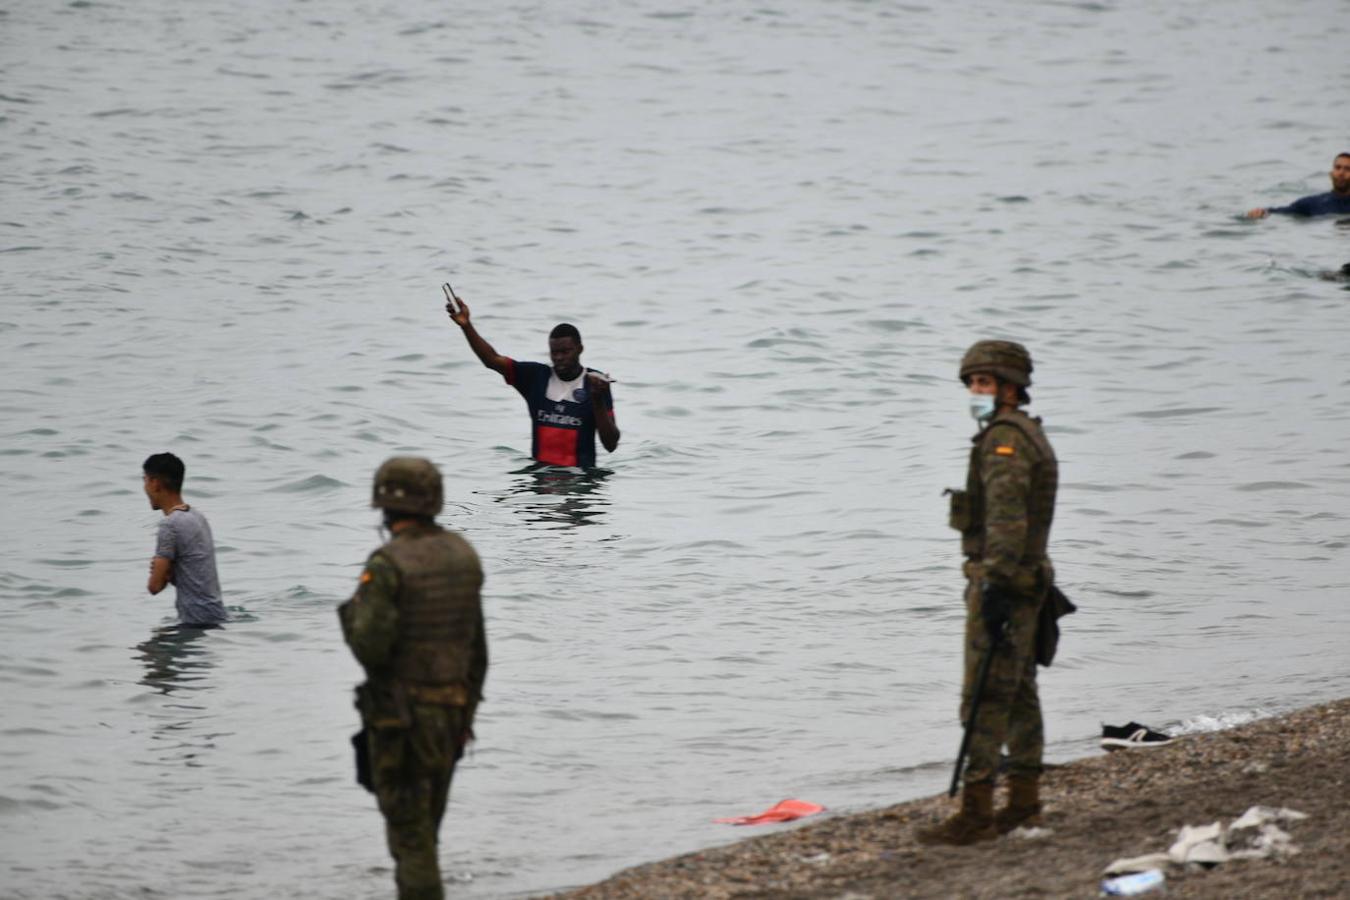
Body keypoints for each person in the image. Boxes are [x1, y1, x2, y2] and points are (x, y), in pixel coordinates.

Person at [917, 341, 1058, 846]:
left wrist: (995, 585)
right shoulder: (1026, 433)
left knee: (982, 697)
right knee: (1018, 692)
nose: (974, 391)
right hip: (1026, 580)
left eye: (983, 383)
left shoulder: (1004, 441)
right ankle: (1024, 804)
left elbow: (1005, 519)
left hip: (1005, 583)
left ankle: (976, 813)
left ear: (1008, 387)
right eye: (971, 383)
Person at [339, 457, 488, 900]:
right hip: (453, 713)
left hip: (401, 722)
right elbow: (478, 653)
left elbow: (370, 648)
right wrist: (466, 716)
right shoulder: (464, 555)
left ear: (385, 506)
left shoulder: (388, 563)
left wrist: (351, 614)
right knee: (428, 829)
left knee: (410, 838)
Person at [445, 288, 619, 468]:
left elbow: (611, 445)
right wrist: (466, 325)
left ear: (580, 349)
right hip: (540, 486)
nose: (559, 357)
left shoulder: (596, 383)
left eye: (565, 352)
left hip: (580, 487)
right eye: (554, 352)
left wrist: (597, 400)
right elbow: (492, 360)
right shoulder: (536, 378)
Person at [142, 452, 227, 627]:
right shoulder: (197, 517)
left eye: (145, 480)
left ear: (155, 483)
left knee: (145, 653)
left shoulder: (169, 525)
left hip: (195, 622)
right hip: (216, 614)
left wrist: (161, 572)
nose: (145, 487)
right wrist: (170, 572)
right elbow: (195, 571)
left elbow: (154, 587)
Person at [1245, 152, 1350, 218]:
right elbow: (1283, 211)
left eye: (1347, 169)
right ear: (1331, 174)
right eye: (1338, 168)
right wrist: (1262, 211)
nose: (1341, 173)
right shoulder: (1312, 204)